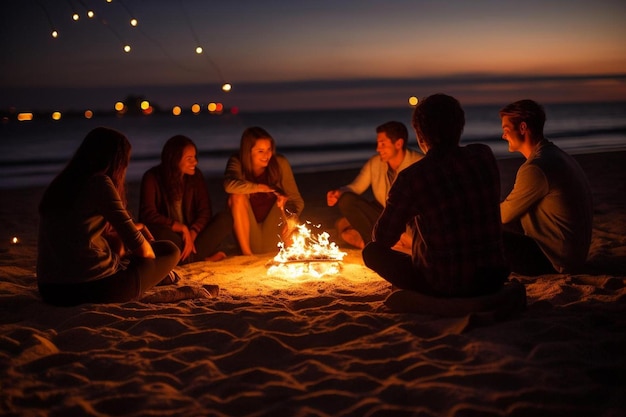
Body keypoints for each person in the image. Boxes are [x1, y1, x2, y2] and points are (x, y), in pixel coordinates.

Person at [362, 94, 509, 297]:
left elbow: (381, 239)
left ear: (420, 135)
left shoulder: (413, 177)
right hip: (494, 276)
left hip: (447, 283)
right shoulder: (483, 155)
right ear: (460, 127)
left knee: (371, 252)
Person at [37, 127, 181, 306]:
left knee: (123, 254)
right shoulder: (99, 183)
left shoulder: (61, 184)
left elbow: (81, 233)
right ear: (116, 162)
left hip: (50, 290)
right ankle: (154, 277)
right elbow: (143, 251)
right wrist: (152, 264)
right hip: (92, 288)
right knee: (169, 250)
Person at [499, 99, 593, 275]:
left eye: (506, 130)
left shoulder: (535, 168)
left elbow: (503, 216)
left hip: (555, 262)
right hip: (573, 256)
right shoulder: (557, 155)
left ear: (523, 128)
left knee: (485, 235)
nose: (503, 136)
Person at [326, 121, 423, 250]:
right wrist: (339, 192)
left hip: (408, 222)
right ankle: (372, 244)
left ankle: (378, 244)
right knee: (346, 201)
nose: (378, 149)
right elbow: (356, 187)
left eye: (383, 144)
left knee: (345, 230)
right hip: (384, 214)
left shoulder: (419, 163)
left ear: (398, 144)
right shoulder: (375, 163)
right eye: (378, 144)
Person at [139, 135, 232, 264]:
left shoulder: (195, 176)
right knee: (169, 239)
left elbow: (205, 211)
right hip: (169, 233)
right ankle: (200, 259)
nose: (195, 162)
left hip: (191, 235)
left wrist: (192, 233)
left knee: (225, 219)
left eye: (195, 157)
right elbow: (148, 214)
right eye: (189, 159)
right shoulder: (152, 177)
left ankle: (190, 258)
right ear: (175, 160)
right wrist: (181, 228)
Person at [224, 126, 305, 255]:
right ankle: (247, 256)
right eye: (260, 151)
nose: (267, 155)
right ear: (248, 152)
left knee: (289, 210)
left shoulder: (280, 163)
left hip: (273, 234)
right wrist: (262, 187)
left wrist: (291, 217)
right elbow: (229, 185)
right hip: (250, 235)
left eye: (269, 149)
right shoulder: (237, 162)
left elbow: (297, 200)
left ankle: (292, 256)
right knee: (236, 196)